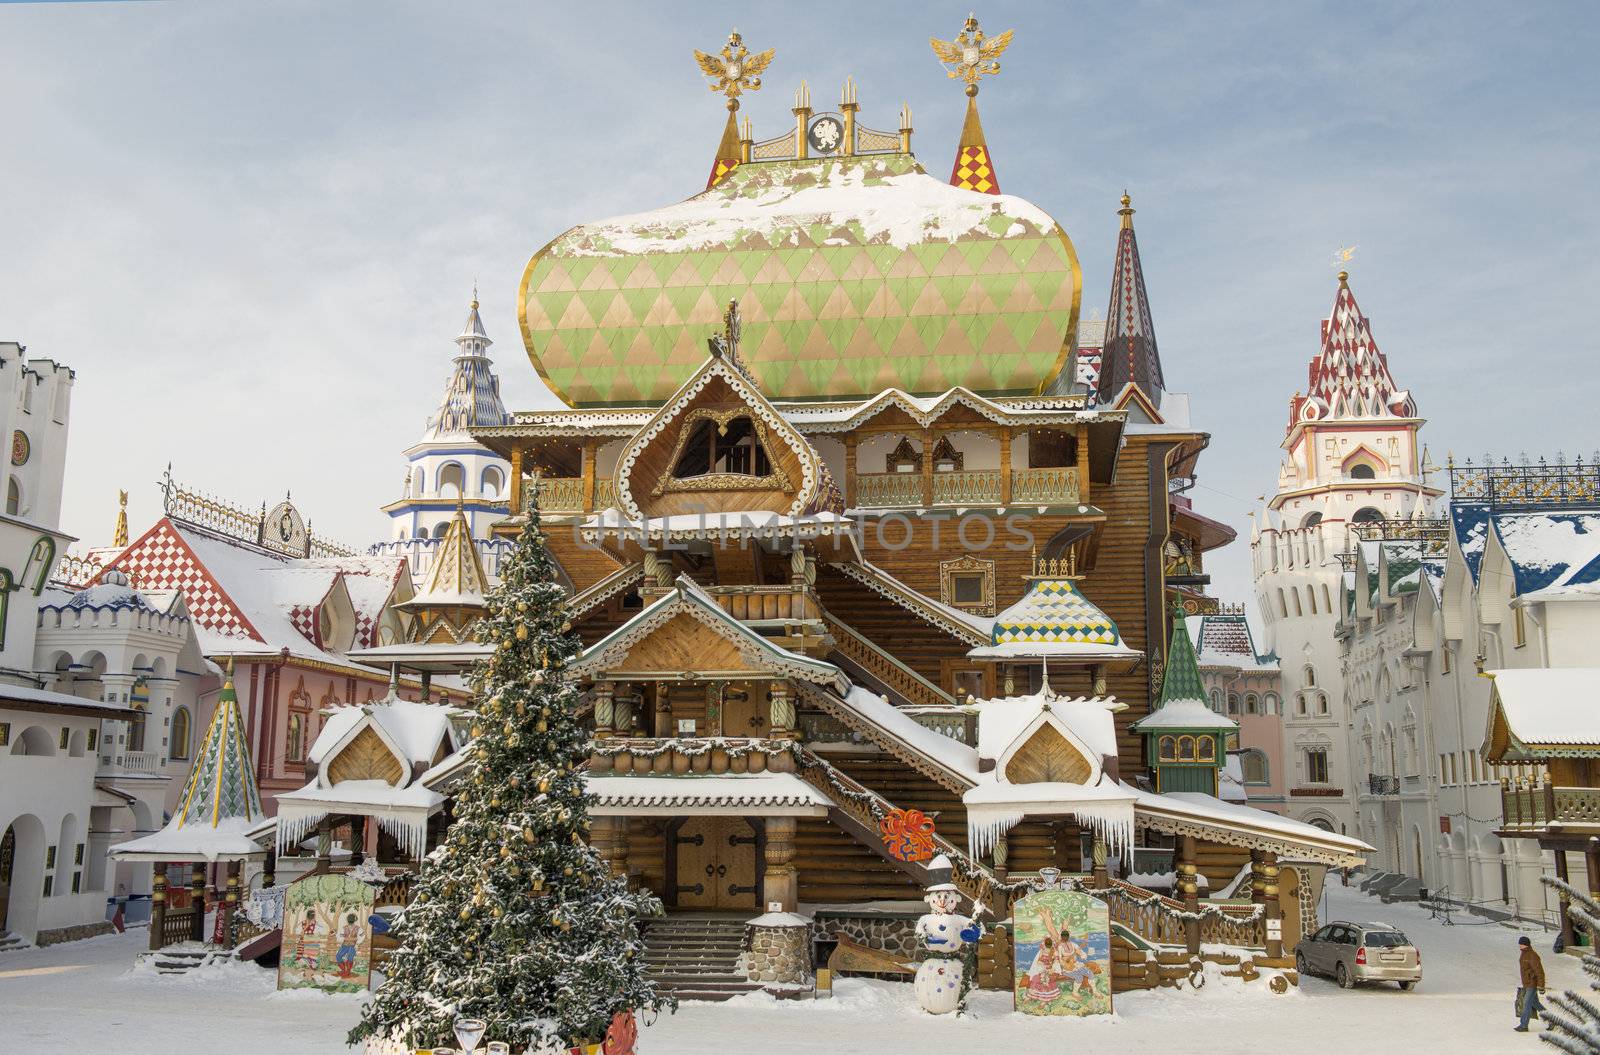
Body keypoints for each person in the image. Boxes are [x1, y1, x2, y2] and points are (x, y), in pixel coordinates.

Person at [1516, 935, 1546, 1032]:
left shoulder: (1532, 955)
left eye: (1521, 944)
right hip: (1527, 983)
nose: (1519, 945)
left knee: (1526, 1004)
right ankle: (1552, 1020)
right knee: (1535, 1003)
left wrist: (1541, 986)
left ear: (1525, 945)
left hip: (1532, 984)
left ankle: (1524, 1025)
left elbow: (1539, 971)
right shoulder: (1524, 953)